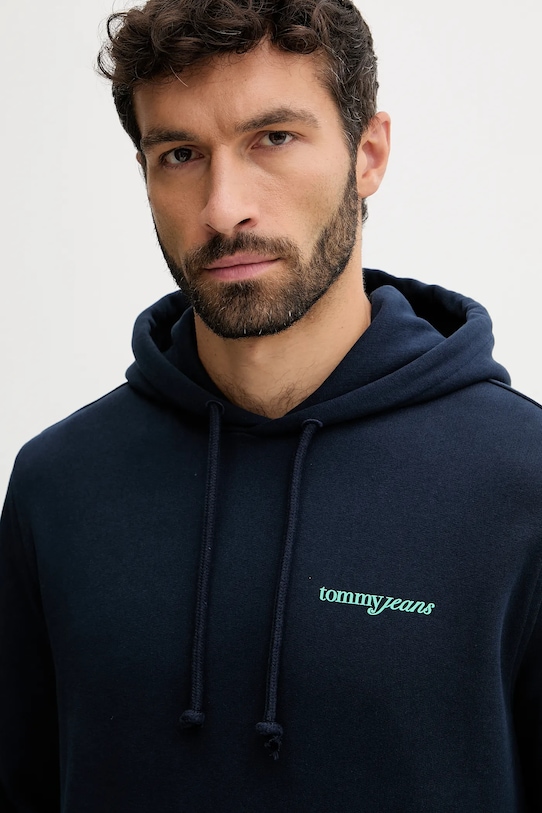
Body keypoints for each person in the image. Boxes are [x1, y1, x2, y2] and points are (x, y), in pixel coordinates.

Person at [1, 0, 541, 810]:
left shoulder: (523, 482)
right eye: (181, 154)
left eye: (274, 138)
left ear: (368, 155)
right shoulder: (57, 485)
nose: (223, 208)